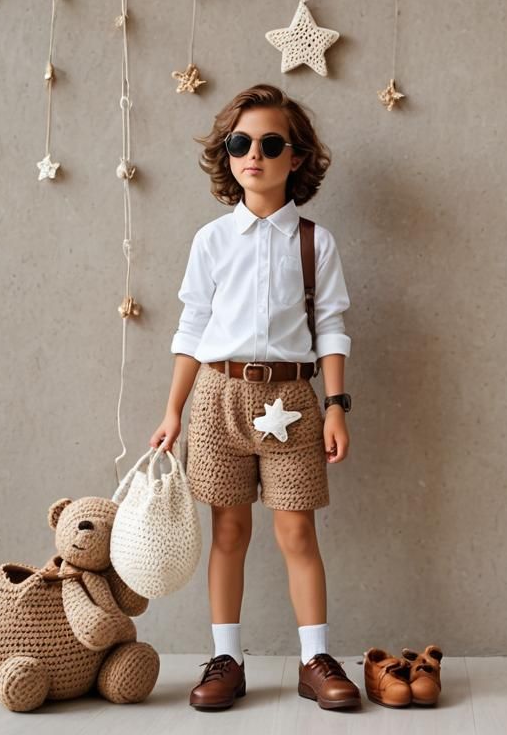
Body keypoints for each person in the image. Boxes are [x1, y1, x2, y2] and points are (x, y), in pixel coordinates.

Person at [150, 84, 360, 711]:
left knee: (297, 533)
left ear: (295, 158)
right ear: (227, 153)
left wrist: (337, 405)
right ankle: (226, 658)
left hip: (293, 401)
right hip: (218, 398)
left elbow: (331, 327)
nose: (254, 155)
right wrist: (173, 410)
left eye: (271, 144)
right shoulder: (212, 240)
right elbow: (191, 328)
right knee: (229, 531)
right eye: (242, 143)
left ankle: (314, 657)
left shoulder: (315, 243)